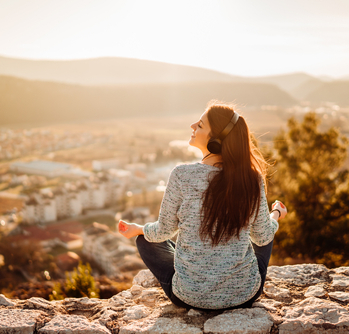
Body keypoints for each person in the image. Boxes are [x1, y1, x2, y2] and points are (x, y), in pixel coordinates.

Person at [118, 101, 287, 311]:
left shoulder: (181, 175)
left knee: (145, 240)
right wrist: (276, 214)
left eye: (199, 125)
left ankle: (193, 283)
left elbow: (163, 232)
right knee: (267, 233)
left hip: (188, 298)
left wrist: (139, 229)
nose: (192, 126)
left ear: (216, 140)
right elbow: (262, 237)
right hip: (243, 296)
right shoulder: (252, 179)